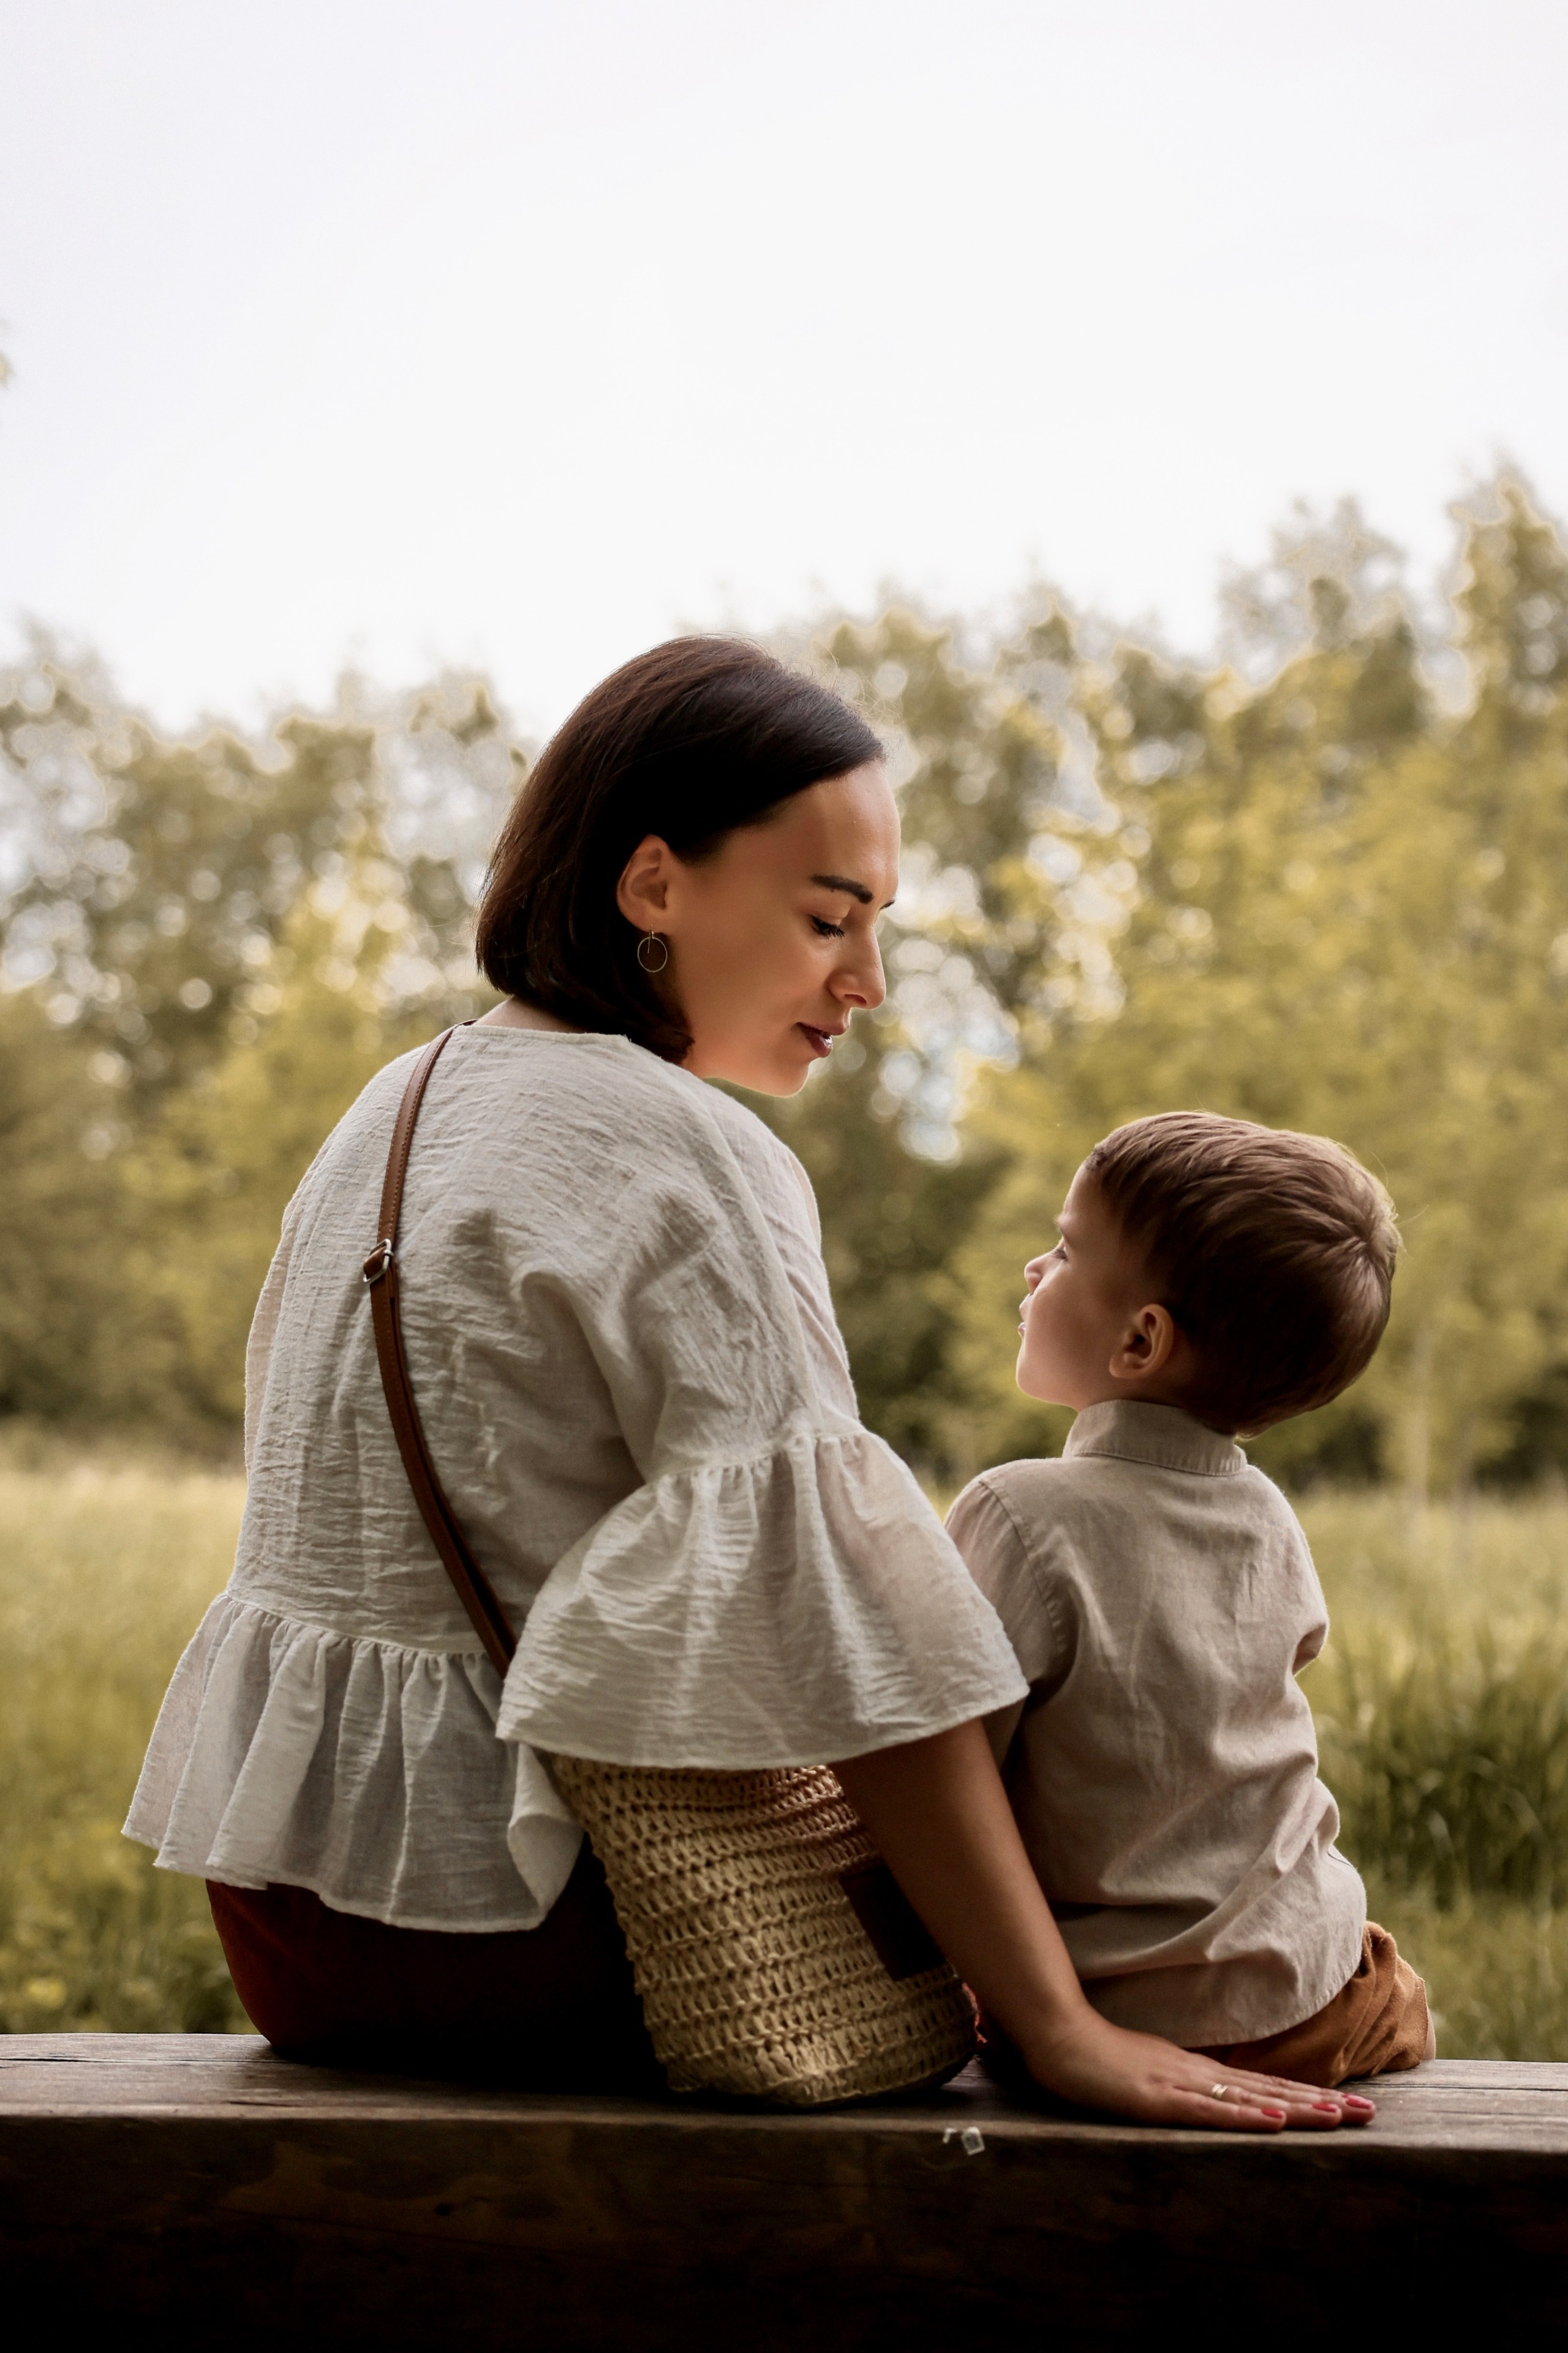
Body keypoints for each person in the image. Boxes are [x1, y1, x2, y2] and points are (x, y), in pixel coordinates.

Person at [126, 638, 1368, 2130]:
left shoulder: (390, 1110)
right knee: (1223, 1954)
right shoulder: (696, 1158)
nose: (871, 982)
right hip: (547, 1939)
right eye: (829, 917)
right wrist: (1051, 2023)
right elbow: (860, 1639)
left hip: (295, 1929)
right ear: (652, 883)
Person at [947, 1111, 1432, 2089]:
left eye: (1066, 1248)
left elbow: (956, 1770)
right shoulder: (1267, 1515)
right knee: (1397, 1986)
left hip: (1106, 2011)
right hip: (1310, 1996)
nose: (1036, 1271)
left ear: (1141, 1339)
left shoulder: (1017, 1512)